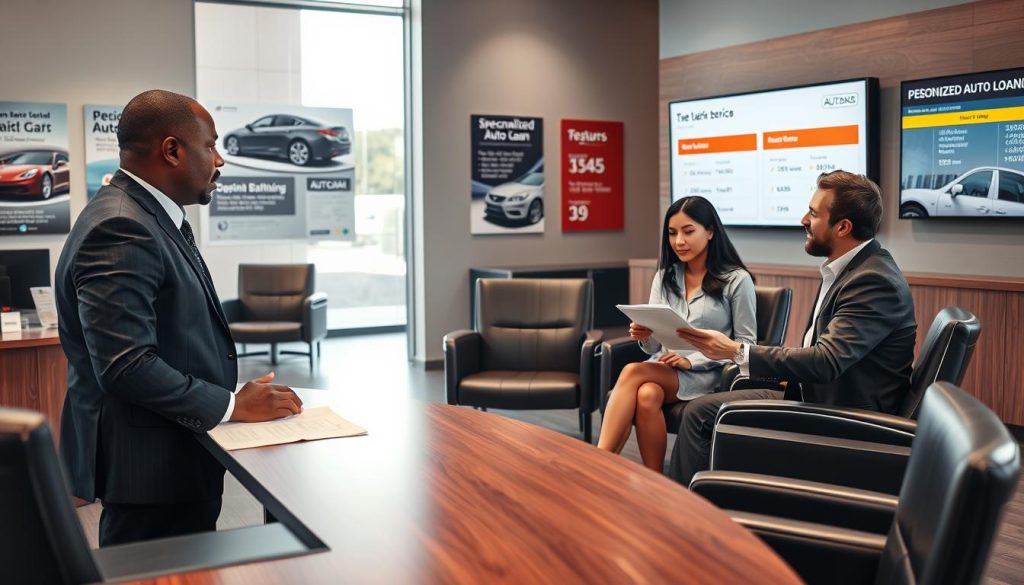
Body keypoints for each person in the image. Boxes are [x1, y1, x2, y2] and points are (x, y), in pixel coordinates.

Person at [56, 90, 305, 546]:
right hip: (150, 467)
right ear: (172, 150)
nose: (221, 160)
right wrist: (232, 405)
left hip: (173, 452)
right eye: (210, 145)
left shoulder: (150, 217)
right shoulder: (121, 226)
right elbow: (125, 365)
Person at [669, 170, 916, 486]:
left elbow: (826, 361)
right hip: (816, 396)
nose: (803, 219)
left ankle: (688, 519)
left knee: (700, 416)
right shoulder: (851, 269)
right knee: (704, 410)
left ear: (843, 227)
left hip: (842, 419)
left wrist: (734, 350)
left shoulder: (873, 281)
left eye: (813, 214)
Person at [597, 196, 756, 473]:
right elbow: (652, 348)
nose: (679, 241)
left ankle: (597, 462)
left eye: (688, 231)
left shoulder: (737, 279)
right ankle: (655, 480)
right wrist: (644, 334)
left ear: (710, 231)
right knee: (647, 395)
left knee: (634, 372)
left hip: (710, 373)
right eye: (672, 233)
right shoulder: (665, 277)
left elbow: (746, 345)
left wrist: (692, 361)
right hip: (663, 368)